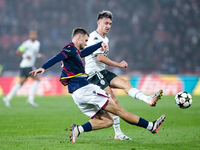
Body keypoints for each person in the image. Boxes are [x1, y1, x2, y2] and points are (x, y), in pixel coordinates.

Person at [29, 27, 166, 143]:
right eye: (86, 40)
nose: (87, 43)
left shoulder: (75, 52)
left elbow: (84, 52)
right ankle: (151, 126)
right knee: (119, 110)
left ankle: (78, 129)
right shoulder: (69, 49)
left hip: (77, 95)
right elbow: (57, 57)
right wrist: (43, 67)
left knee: (107, 121)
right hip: (86, 89)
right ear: (78, 38)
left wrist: (99, 44)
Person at [84, 10, 163, 140]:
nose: (108, 26)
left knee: (125, 84)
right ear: (98, 22)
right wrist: (118, 64)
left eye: (110, 23)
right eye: (105, 23)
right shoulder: (94, 37)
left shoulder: (105, 38)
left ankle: (148, 99)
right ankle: (118, 134)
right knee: (113, 101)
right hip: (94, 74)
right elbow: (99, 58)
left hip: (102, 71)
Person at [3, 30, 43, 107]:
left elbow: (34, 53)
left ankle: (8, 98)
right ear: (29, 35)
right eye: (32, 34)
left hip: (28, 65)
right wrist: (25, 56)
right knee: (37, 80)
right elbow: (18, 51)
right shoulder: (26, 44)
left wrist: (39, 56)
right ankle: (30, 98)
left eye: (35, 34)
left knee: (21, 83)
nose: (33, 36)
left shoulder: (37, 43)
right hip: (26, 65)